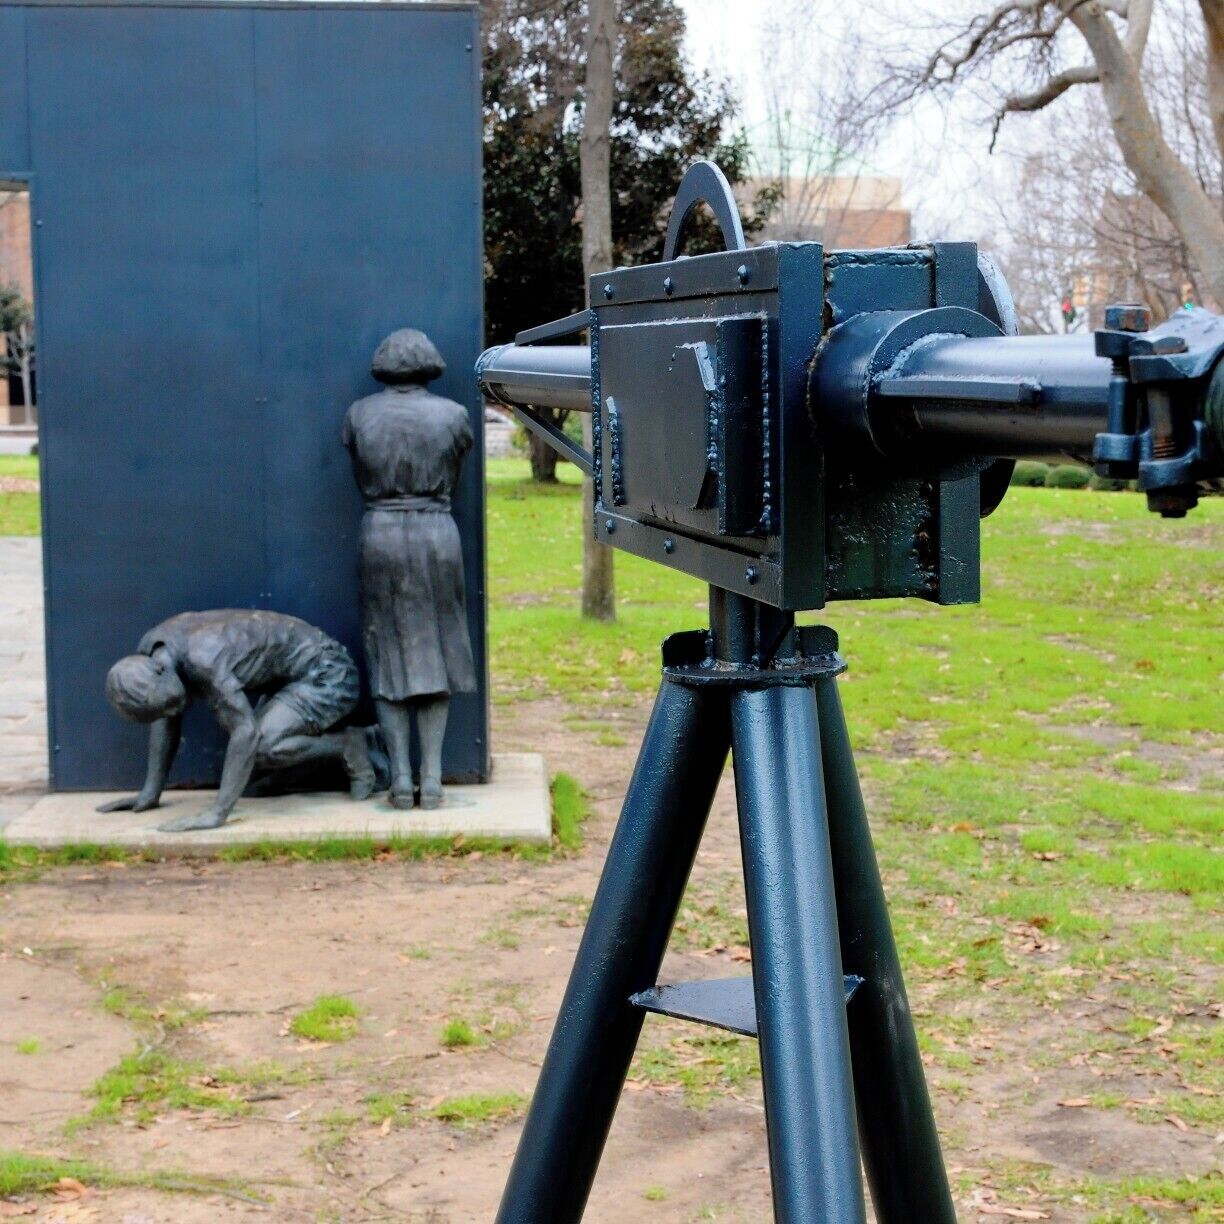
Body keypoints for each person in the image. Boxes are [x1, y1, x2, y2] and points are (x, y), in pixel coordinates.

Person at [343, 328, 477, 809]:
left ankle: (401, 780)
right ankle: (433, 778)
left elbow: (358, 469)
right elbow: (455, 476)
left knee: (387, 652)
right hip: (436, 532)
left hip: (378, 533)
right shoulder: (454, 417)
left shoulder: (360, 414)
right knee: (439, 648)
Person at [100, 610, 375, 832]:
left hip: (329, 675)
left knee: (261, 748)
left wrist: (218, 812)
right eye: (165, 709)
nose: (175, 712)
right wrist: (150, 792)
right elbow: (163, 716)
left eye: (174, 703)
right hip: (287, 682)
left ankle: (348, 745)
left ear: (160, 670)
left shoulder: (203, 660)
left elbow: (246, 732)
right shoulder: (152, 653)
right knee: (249, 774)